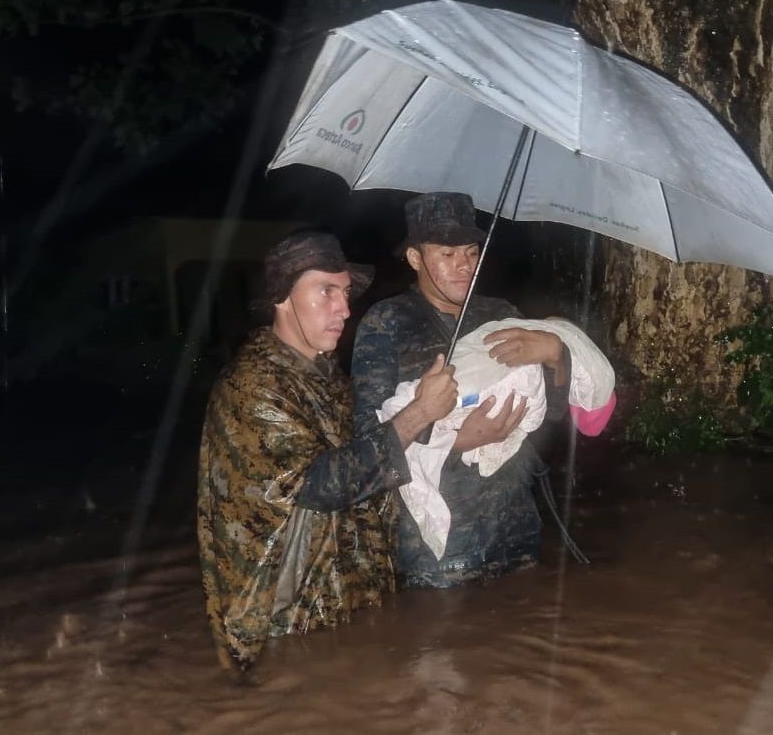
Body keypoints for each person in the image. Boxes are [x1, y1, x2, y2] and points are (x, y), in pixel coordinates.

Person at [197, 230, 458, 673]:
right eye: (326, 291)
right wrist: (417, 414)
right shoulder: (253, 385)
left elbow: (369, 468)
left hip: (343, 609)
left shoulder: (325, 376)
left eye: (346, 292)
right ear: (282, 298)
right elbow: (323, 485)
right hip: (287, 625)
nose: (345, 308)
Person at [352, 192, 571, 588]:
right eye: (447, 255)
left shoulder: (501, 314)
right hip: (440, 547)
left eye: (471, 253)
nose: (464, 267)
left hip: (516, 529)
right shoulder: (387, 322)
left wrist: (557, 358)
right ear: (415, 258)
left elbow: (550, 413)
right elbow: (368, 436)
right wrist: (456, 440)